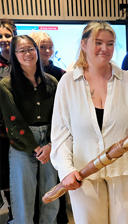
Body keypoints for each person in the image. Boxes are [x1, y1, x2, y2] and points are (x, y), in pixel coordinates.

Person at [50, 21, 128, 224]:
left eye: (110, 43)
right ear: (84, 44)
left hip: (125, 169)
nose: (105, 49)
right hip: (84, 170)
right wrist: (66, 169)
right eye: (98, 42)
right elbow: (61, 132)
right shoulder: (68, 83)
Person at [0, 35, 59, 223]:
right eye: (22, 50)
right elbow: (13, 121)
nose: (27, 53)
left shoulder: (51, 82)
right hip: (23, 143)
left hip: (51, 142)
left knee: (51, 195)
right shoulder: (6, 85)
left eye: (31, 49)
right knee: (23, 197)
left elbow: (59, 117)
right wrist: (35, 147)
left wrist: (50, 144)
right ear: (14, 55)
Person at [29, 31, 68, 223]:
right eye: (42, 46)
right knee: (32, 188)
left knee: (54, 183)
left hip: (56, 134)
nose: (47, 50)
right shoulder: (23, 74)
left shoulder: (60, 74)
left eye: (49, 46)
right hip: (31, 137)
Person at [0, 19, 16, 223]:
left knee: (14, 184)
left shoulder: (22, 62)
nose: (4, 40)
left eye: (7, 35)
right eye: (0, 36)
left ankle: (15, 217)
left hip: (17, 133)